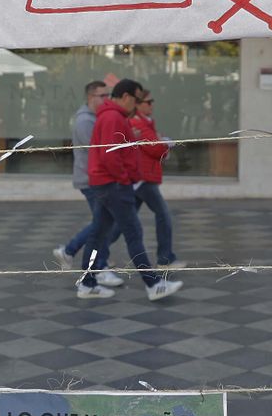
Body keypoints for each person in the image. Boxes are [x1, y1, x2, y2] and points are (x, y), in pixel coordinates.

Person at [77, 79, 182, 302]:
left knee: (98, 234)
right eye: (136, 100)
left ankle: (87, 284)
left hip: (106, 184)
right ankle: (153, 285)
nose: (137, 104)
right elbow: (110, 154)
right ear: (125, 97)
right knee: (133, 234)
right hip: (114, 186)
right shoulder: (113, 117)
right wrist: (125, 180)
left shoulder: (110, 116)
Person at [52, 81, 122, 288]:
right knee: (103, 224)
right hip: (91, 180)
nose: (107, 99)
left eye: (108, 95)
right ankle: (97, 267)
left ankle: (71, 252)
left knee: (104, 223)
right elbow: (99, 150)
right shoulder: (84, 122)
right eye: (103, 95)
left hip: (96, 179)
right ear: (91, 97)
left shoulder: (94, 118)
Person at [130, 88, 184, 271]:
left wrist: (161, 142)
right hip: (144, 178)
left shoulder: (146, 123)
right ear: (137, 104)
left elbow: (155, 144)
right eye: (148, 102)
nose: (152, 105)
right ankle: (165, 259)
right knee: (163, 215)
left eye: (152, 102)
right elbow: (155, 148)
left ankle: (97, 256)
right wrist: (164, 143)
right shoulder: (138, 123)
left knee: (120, 221)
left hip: (144, 177)